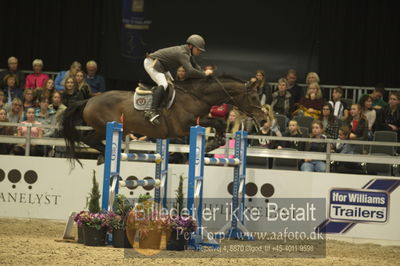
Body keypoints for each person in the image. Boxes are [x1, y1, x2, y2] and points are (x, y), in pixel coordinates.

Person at [143, 34, 210, 125]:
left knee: (173, 85)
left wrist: (204, 74)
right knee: (164, 84)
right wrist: (204, 74)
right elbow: (190, 71)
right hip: (152, 63)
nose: (199, 52)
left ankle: (163, 107)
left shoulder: (187, 53)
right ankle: (151, 110)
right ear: (190, 46)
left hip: (161, 66)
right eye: (198, 49)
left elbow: (196, 67)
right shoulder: (182, 53)